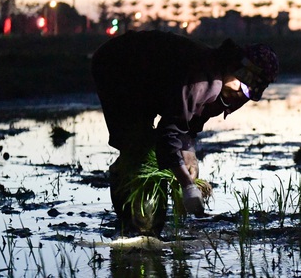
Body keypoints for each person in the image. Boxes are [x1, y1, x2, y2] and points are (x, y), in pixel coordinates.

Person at [91, 30, 279, 236]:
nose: (240, 93)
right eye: (241, 84)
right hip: (119, 67)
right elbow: (169, 132)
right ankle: (132, 222)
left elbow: (189, 124)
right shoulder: (202, 80)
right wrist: (187, 186)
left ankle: (148, 225)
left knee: (157, 152)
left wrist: (190, 155)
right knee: (137, 147)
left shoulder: (226, 87)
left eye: (248, 92)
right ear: (233, 66)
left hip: (154, 81)